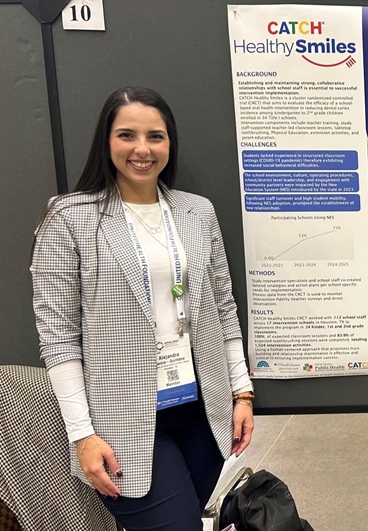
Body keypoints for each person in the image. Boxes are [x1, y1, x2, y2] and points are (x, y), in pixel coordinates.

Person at [31, 87, 255, 530]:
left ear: (169, 144)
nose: (142, 149)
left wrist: (241, 392)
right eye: (126, 135)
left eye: (156, 136)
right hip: (121, 420)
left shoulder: (197, 212)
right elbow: (58, 339)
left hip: (202, 408)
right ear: (106, 141)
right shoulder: (69, 218)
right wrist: (81, 435)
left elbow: (223, 308)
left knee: (189, 518)